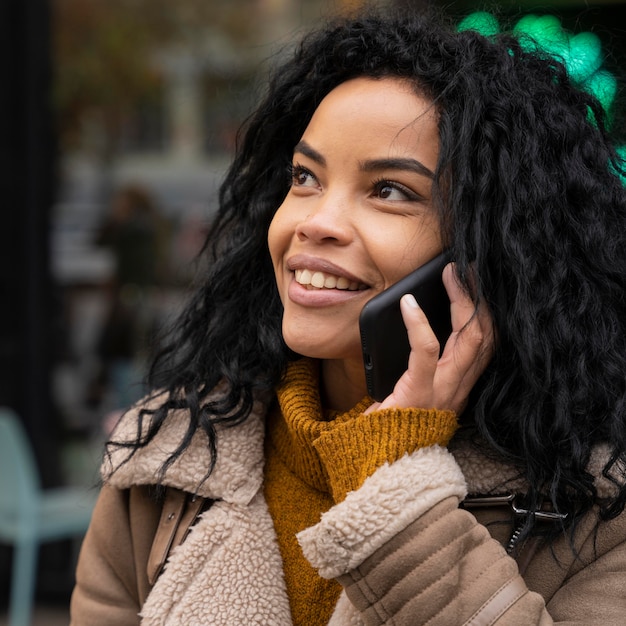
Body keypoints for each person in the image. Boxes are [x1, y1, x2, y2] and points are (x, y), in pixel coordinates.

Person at [70, 6, 626, 625]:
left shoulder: (597, 507)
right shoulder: (169, 456)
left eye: (389, 190)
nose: (315, 222)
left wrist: (398, 481)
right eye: (305, 177)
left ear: (501, 249)